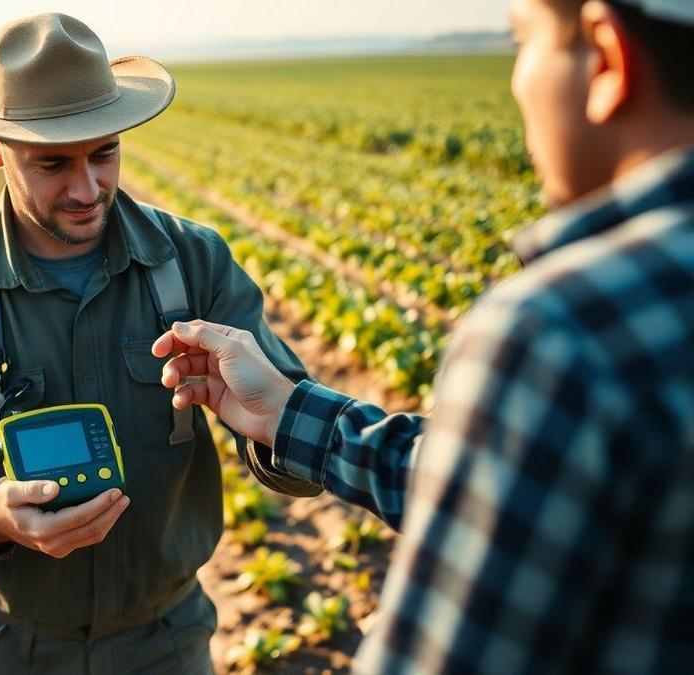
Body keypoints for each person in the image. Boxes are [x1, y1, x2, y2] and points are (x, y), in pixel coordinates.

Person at [151, 0, 694, 671]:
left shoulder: (565, 333)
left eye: (524, 40)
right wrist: (289, 411)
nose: (516, 81)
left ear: (608, 58)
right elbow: (493, 492)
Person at [0, 12, 320, 674]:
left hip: (167, 639)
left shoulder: (195, 261)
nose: (87, 187)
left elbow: (292, 438)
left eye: (104, 153)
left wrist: (280, 431)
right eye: (53, 163)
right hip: (9, 646)